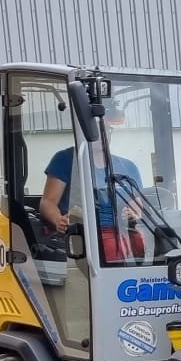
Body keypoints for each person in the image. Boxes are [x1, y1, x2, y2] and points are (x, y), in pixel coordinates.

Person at [37, 105, 146, 263]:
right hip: (82, 235)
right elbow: (48, 202)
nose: (102, 135)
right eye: (96, 129)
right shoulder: (65, 160)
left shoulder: (128, 166)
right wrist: (58, 219)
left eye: (107, 130)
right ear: (84, 132)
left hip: (123, 234)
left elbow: (136, 203)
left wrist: (134, 212)